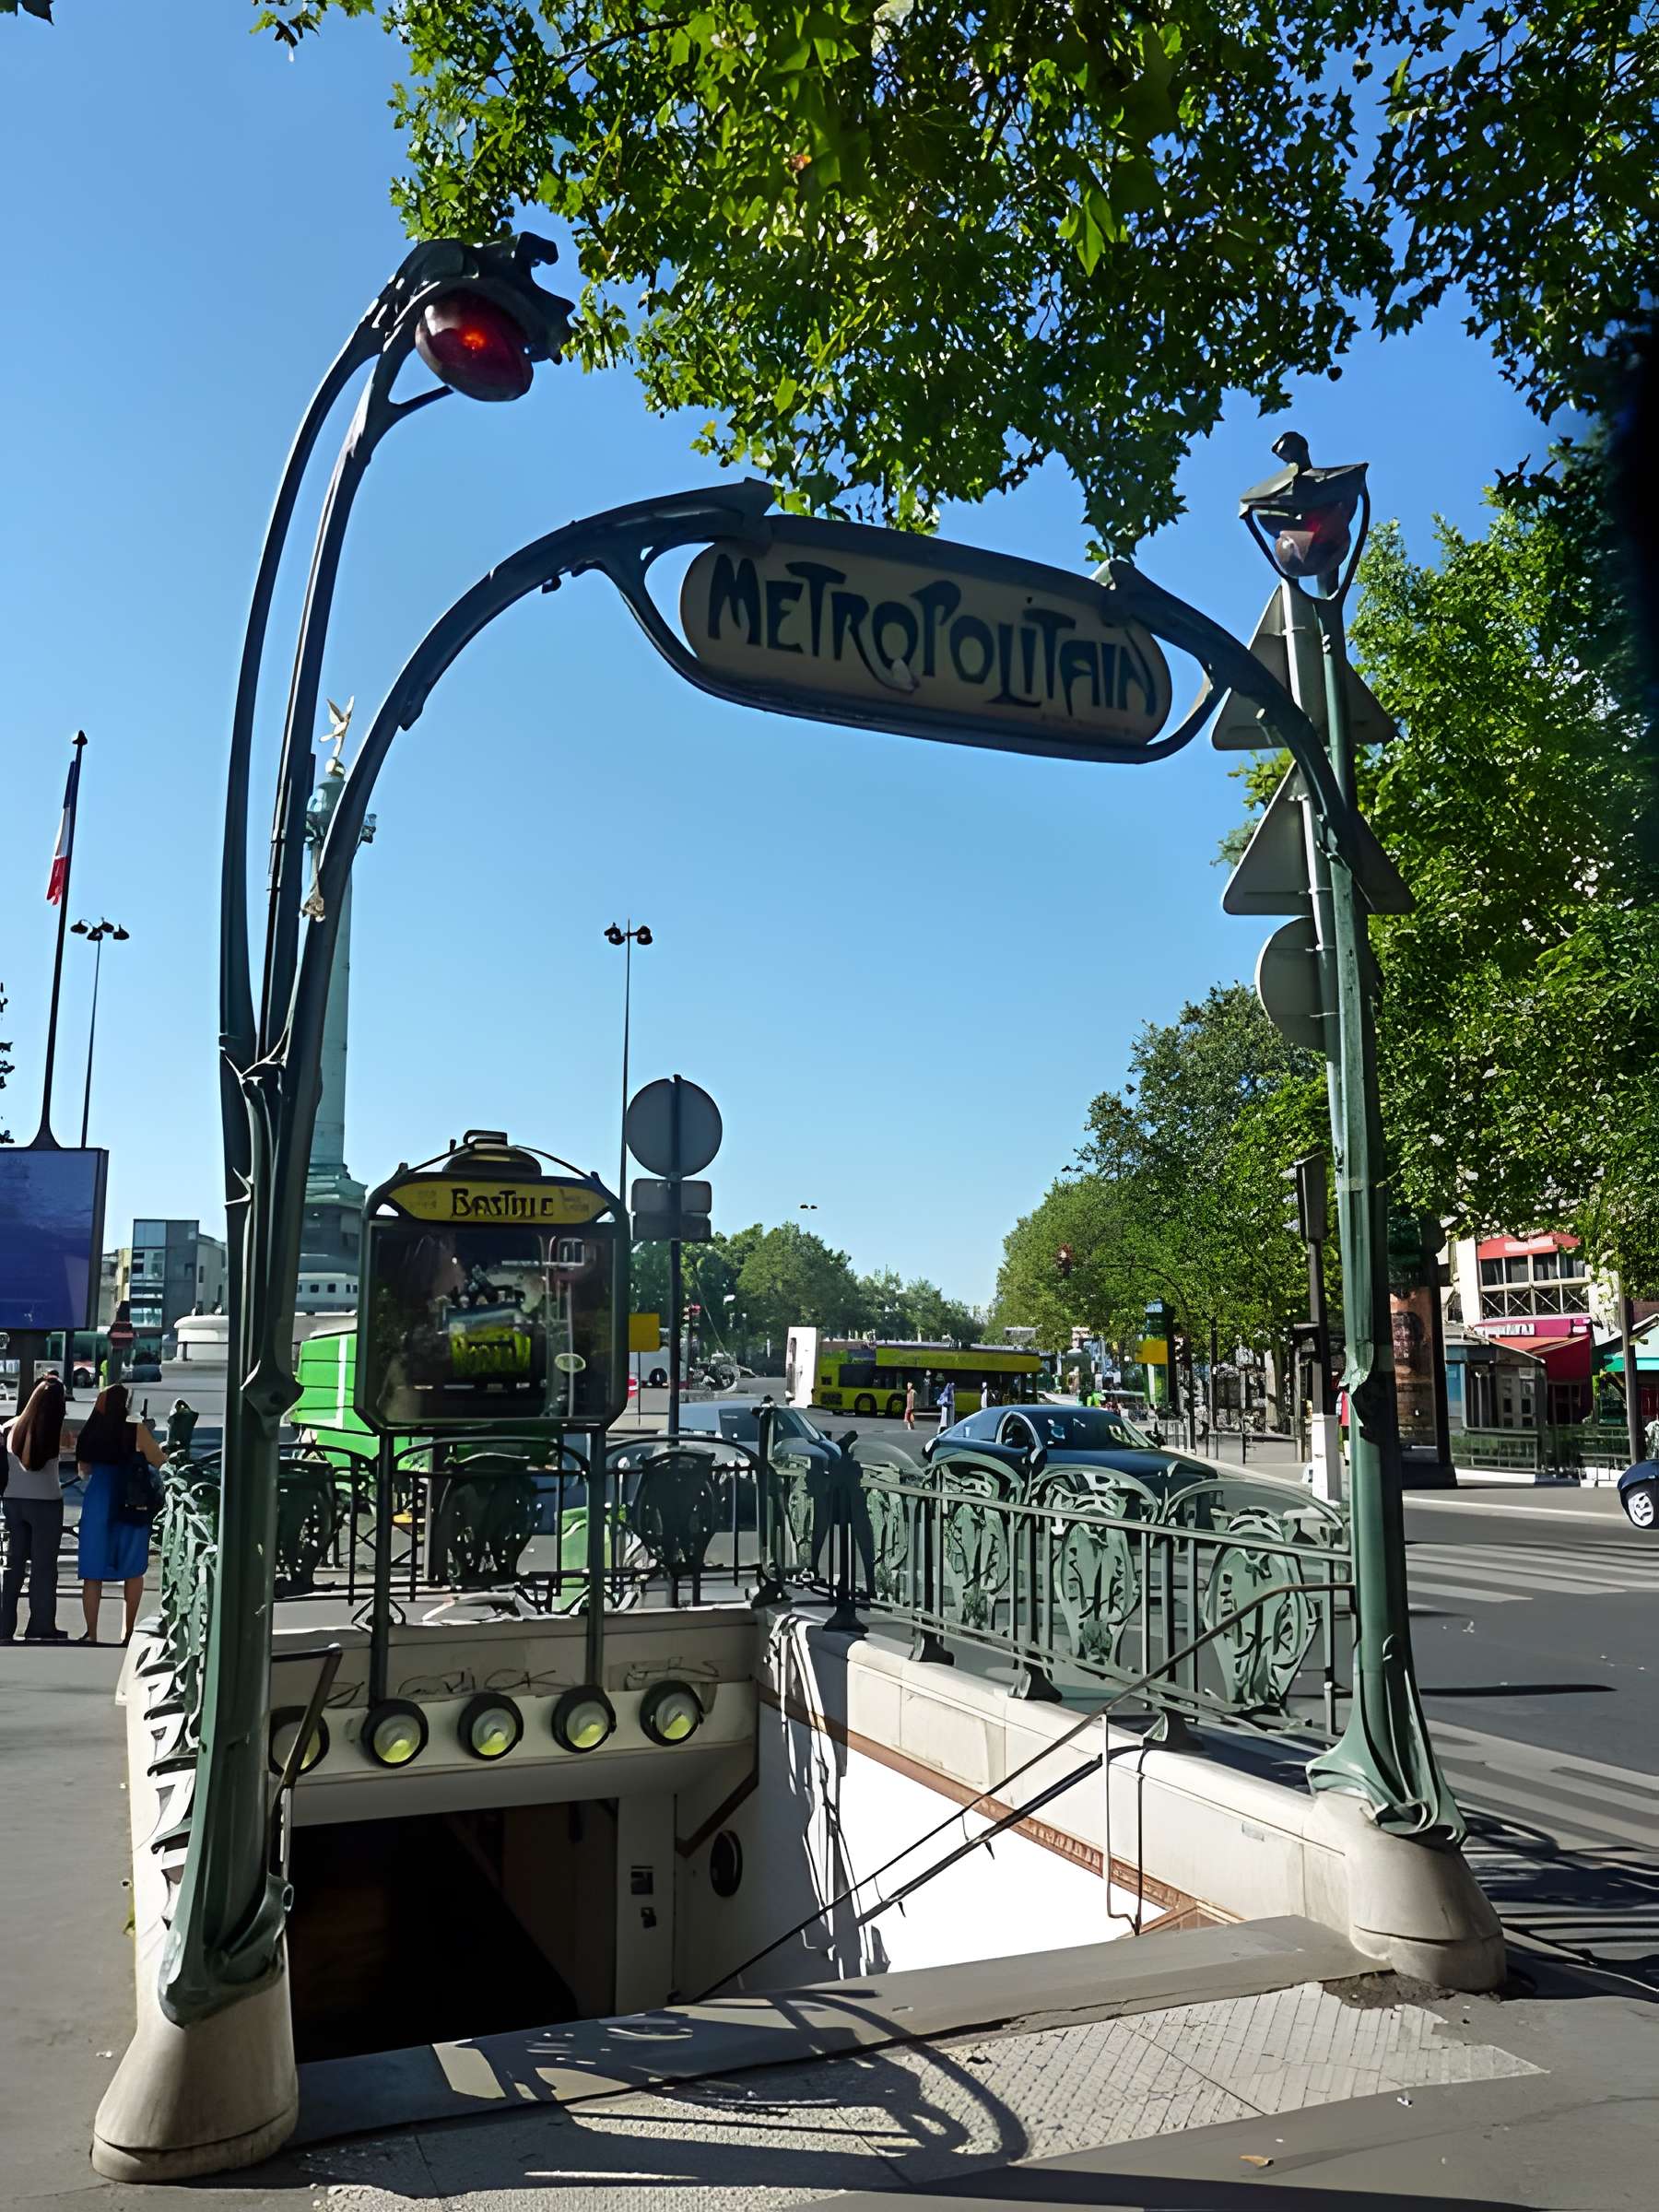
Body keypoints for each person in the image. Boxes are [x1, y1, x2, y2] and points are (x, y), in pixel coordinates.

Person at [75, 1384, 167, 1646]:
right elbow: (158, 1459)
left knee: (92, 1572)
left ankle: (91, 1633)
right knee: (133, 1568)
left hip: (98, 1501)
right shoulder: (134, 1429)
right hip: (131, 1499)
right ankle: (127, 1633)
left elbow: (84, 1470)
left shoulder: (91, 1431)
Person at [1, 1376, 76, 1644]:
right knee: (44, 1567)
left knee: (13, 1565)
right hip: (46, 1502)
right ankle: (41, 1625)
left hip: (12, 1500)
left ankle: (3, 1625)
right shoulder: (56, 1430)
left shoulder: (9, 1427)